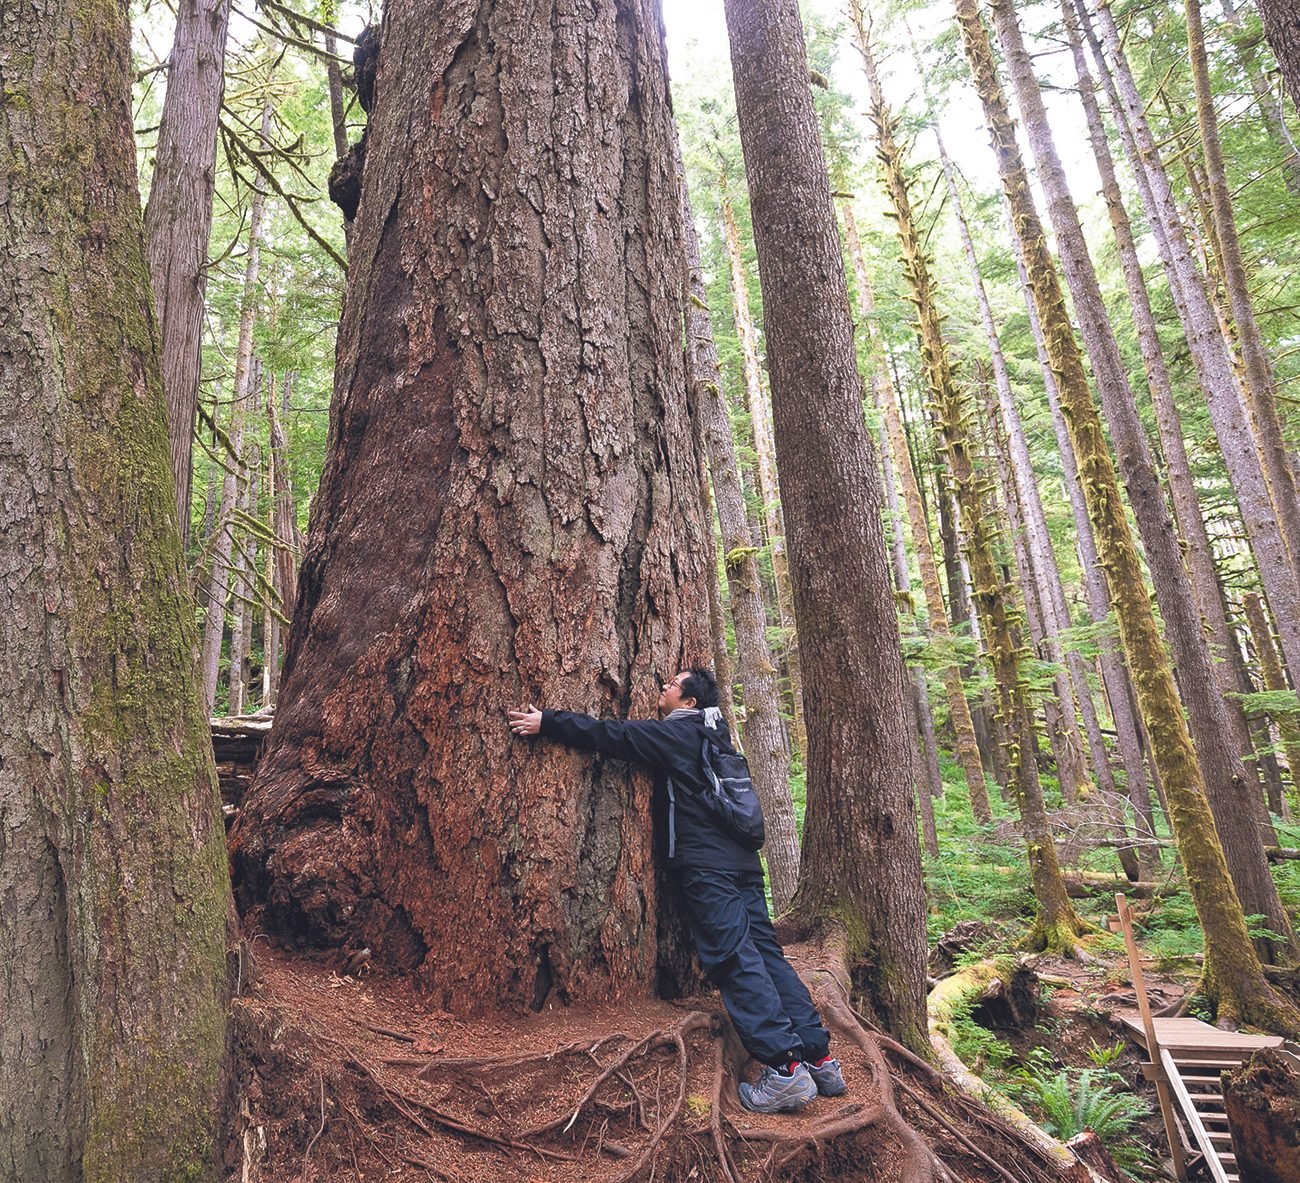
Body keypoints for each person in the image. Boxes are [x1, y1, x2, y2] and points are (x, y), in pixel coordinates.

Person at [508, 667, 846, 1114]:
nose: (662, 688)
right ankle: (818, 1057)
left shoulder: (679, 735)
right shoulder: (717, 737)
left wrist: (547, 721)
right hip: (744, 866)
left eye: (671, 684)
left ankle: (784, 1070)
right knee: (766, 955)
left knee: (733, 957)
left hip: (707, 866)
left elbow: (613, 736)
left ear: (688, 703)